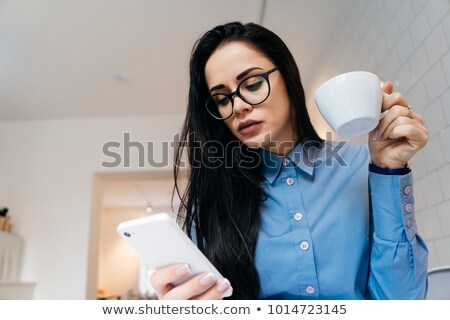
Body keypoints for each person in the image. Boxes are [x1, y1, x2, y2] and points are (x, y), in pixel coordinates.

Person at [150, 22, 429, 300]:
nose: (238, 107)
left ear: (288, 77)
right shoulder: (214, 201)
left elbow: (401, 302)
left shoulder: (362, 166)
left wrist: (389, 172)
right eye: (222, 99)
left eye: (253, 84)